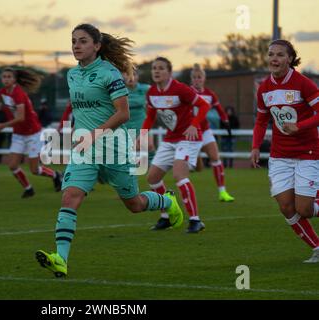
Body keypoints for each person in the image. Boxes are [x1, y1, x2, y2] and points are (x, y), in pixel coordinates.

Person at [35, 23, 183, 278]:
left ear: (97, 45)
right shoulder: (72, 75)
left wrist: (95, 133)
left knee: (134, 205)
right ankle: (60, 258)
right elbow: (80, 111)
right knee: (69, 197)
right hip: (84, 150)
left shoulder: (109, 73)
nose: (76, 46)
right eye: (73, 41)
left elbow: (123, 113)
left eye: (82, 41)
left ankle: (167, 201)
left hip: (114, 149)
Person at [251, 39, 319, 263]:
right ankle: (317, 248)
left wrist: (300, 126)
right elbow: (261, 121)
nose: (274, 59)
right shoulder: (264, 88)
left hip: (307, 153)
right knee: (286, 207)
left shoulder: (303, 83)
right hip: (280, 156)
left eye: (280, 55)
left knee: (305, 209)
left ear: (290, 59)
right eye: (271, 54)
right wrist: (255, 146)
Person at [143, 57, 211, 233]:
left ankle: (196, 220)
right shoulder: (152, 93)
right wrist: (142, 135)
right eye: (154, 68)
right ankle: (166, 216)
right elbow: (150, 117)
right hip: (170, 138)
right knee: (152, 178)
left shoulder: (180, 89)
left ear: (170, 72)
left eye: (161, 68)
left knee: (179, 175)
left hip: (188, 139)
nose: (156, 71)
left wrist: (194, 124)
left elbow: (204, 105)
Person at [0, 67, 62, 198]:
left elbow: (21, 118)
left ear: (14, 80)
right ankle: (28, 188)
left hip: (33, 134)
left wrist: (2, 125)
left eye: (9, 77)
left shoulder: (18, 94)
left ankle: (55, 175)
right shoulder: (3, 91)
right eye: (4, 77)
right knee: (12, 165)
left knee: (35, 170)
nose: (6, 79)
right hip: (19, 134)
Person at [190, 63, 235, 202]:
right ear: (192, 79)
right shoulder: (187, 92)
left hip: (205, 131)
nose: (197, 79)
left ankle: (222, 192)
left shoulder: (209, 94)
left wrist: (226, 122)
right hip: (190, 132)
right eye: (195, 77)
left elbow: (220, 110)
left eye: (200, 77)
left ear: (204, 79)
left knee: (216, 158)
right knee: (194, 168)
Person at [122, 68, 156, 163]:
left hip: (141, 122)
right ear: (123, 76)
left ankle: (154, 170)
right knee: (132, 149)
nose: (131, 77)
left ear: (138, 77)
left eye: (134, 75)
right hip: (126, 123)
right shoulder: (119, 90)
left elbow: (158, 94)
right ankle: (132, 169)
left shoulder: (145, 88)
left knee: (149, 146)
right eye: (128, 74)